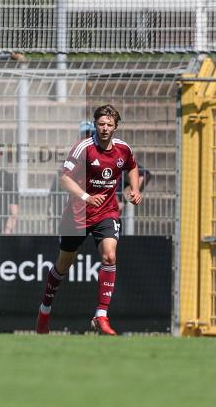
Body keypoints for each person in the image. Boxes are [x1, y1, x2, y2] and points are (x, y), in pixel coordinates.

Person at [36, 105, 141, 335]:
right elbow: (64, 179)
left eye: (109, 125)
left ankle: (101, 315)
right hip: (78, 215)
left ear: (115, 127)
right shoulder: (83, 148)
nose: (105, 128)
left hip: (107, 212)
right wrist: (86, 197)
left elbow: (132, 167)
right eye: (101, 124)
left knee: (110, 254)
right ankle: (44, 311)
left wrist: (135, 189)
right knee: (63, 266)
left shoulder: (123, 149)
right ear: (95, 124)